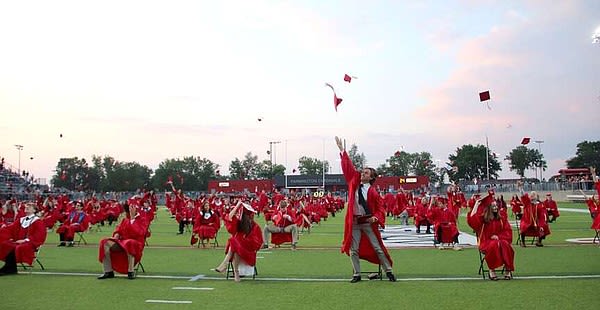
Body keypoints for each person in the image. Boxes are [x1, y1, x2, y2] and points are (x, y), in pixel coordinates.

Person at [335, 136, 396, 283]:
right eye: (363, 171)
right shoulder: (354, 182)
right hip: (355, 221)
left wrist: (376, 217)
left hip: (368, 222)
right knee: (353, 248)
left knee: (377, 247)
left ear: (372, 177)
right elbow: (348, 167)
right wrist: (343, 151)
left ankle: (389, 271)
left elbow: (381, 208)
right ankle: (356, 274)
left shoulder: (374, 192)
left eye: (367, 172)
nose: (363, 173)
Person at [213, 200, 263, 282]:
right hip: (238, 248)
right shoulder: (239, 223)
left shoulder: (255, 226)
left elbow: (257, 243)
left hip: (249, 250)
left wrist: (245, 241)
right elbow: (229, 217)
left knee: (233, 241)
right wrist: (237, 205)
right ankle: (235, 272)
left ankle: (225, 265)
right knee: (235, 245)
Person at [467, 194, 514, 280]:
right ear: (489, 208)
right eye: (493, 206)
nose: (496, 207)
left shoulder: (502, 219)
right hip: (486, 242)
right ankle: (491, 270)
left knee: (506, 245)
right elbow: (472, 219)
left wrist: (498, 236)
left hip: (501, 240)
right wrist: (476, 204)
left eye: (496, 205)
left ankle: (508, 269)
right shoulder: (483, 219)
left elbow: (507, 231)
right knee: (494, 245)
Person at [97, 203, 148, 280]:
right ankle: (108, 271)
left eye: (132, 208)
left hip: (136, 244)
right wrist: (116, 234)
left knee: (130, 243)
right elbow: (118, 229)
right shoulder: (125, 220)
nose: (129, 211)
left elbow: (139, 233)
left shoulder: (142, 219)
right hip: (122, 243)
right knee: (104, 242)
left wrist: (133, 218)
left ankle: (130, 271)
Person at [0, 202, 47, 275]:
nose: (27, 207)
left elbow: (39, 235)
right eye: (26, 206)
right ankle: (11, 268)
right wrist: (3, 229)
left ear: (34, 210)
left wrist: (25, 240)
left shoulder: (38, 221)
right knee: (5, 244)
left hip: (30, 243)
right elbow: (10, 229)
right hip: (18, 241)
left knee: (18, 247)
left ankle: (8, 268)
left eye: (30, 207)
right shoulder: (21, 220)